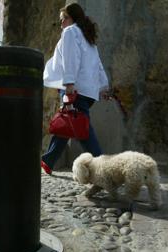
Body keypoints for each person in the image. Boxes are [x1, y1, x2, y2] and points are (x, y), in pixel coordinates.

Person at [41, 3, 109, 175]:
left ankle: (105, 170)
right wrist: (103, 86)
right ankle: (48, 160)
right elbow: (98, 65)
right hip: (88, 91)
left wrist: (69, 84)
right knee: (69, 122)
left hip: (75, 89)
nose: (62, 24)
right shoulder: (87, 37)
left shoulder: (71, 32)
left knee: (83, 130)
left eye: (64, 19)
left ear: (72, 18)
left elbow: (70, 59)